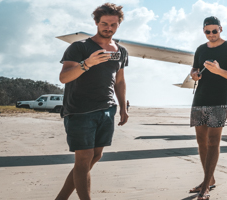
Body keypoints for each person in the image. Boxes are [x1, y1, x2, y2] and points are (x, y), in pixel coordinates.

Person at [56, 3, 129, 200]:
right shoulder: (79, 47)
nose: (109, 28)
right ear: (96, 23)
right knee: (83, 160)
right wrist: (87, 64)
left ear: (118, 25)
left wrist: (123, 107)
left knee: (95, 157)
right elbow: (64, 78)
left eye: (113, 25)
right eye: (104, 23)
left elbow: (119, 81)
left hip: (106, 110)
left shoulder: (121, 51)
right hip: (79, 110)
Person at [187, 16, 227, 200]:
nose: (211, 34)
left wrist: (218, 71)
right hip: (200, 98)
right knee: (201, 141)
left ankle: (205, 188)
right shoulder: (200, 49)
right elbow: (193, 70)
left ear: (221, 29)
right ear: (203, 31)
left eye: (214, 31)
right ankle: (208, 180)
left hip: (220, 100)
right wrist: (194, 75)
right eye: (207, 31)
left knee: (213, 142)